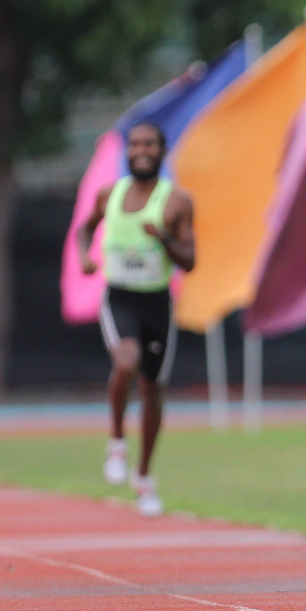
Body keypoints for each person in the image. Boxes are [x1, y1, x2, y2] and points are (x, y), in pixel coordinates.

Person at [74, 122, 196, 517]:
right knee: (125, 361)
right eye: (135, 144)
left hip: (157, 302)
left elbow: (191, 261)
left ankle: (143, 477)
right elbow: (84, 230)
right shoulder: (110, 194)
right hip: (120, 297)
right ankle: (116, 441)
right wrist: (85, 257)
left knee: (152, 390)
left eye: (150, 144)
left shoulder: (176, 201)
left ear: (162, 151)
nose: (141, 150)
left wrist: (162, 238)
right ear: (127, 151)